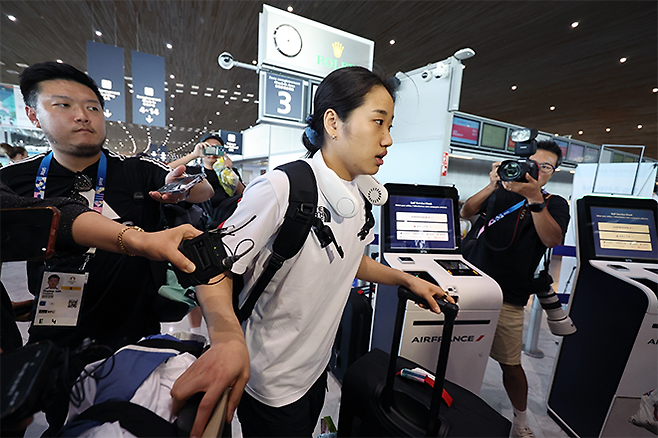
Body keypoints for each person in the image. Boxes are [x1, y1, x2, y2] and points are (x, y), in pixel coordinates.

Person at [170, 66, 454, 438]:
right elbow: (214, 268)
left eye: (391, 127)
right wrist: (225, 339)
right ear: (333, 123)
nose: (387, 140)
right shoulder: (281, 188)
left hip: (314, 370)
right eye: (378, 123)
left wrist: (406, 279)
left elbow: (349, 257)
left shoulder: (359, 196)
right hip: (271, 381)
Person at [0, 61, 215, 433]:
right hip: (57, 331)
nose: (83, 116)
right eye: (63, 105)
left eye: (93, 107)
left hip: (134, 328)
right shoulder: (15, 180)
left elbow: (203, 191)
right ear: (34, 116)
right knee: (65, 420)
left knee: (132, 417)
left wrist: (182, 187)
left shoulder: (136, 170)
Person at [460, 140, 570, 438]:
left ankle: (520, 420)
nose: (535, 170)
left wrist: (535, 199)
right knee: (459, 350)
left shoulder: (554, 203)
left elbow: (551, 239)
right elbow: (466, 211)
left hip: (510, 295)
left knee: (510, 364)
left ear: (552, 171)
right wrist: (492, 184)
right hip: (472, 284)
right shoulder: (499, 193)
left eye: (543, 166)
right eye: (530, 163)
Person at [169, 133, 246, 227]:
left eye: (216, 149)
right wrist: (194, 155)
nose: (212, 153)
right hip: (198, 224)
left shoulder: (229, 172)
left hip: (228, 222)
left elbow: (244, 194)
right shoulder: (193, 171)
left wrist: (228, 171)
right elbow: (163, 169)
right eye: (208, 148)